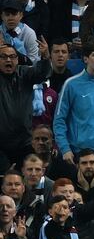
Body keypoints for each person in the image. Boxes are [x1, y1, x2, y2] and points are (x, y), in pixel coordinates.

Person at [0, 39, 50, 174]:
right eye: (3, 57)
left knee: (28, 179)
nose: (8, 60)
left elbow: (42, 74)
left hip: (24, 141)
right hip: (1, 145)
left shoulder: (24, 73)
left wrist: (45, 57)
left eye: (12, 56)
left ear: (17, 59)